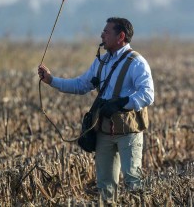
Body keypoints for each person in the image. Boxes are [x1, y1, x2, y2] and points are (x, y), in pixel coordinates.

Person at [38, 17, 154, 204]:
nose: (102, 34)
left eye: (106, 31)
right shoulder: (102, 61)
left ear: (121, 36)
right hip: (103, 130)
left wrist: (121, 103)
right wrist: (51, 80)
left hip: (128, 132)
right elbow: (81, 85)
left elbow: (148, 95)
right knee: (105, 185)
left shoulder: (137, 62)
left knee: (133, 181)